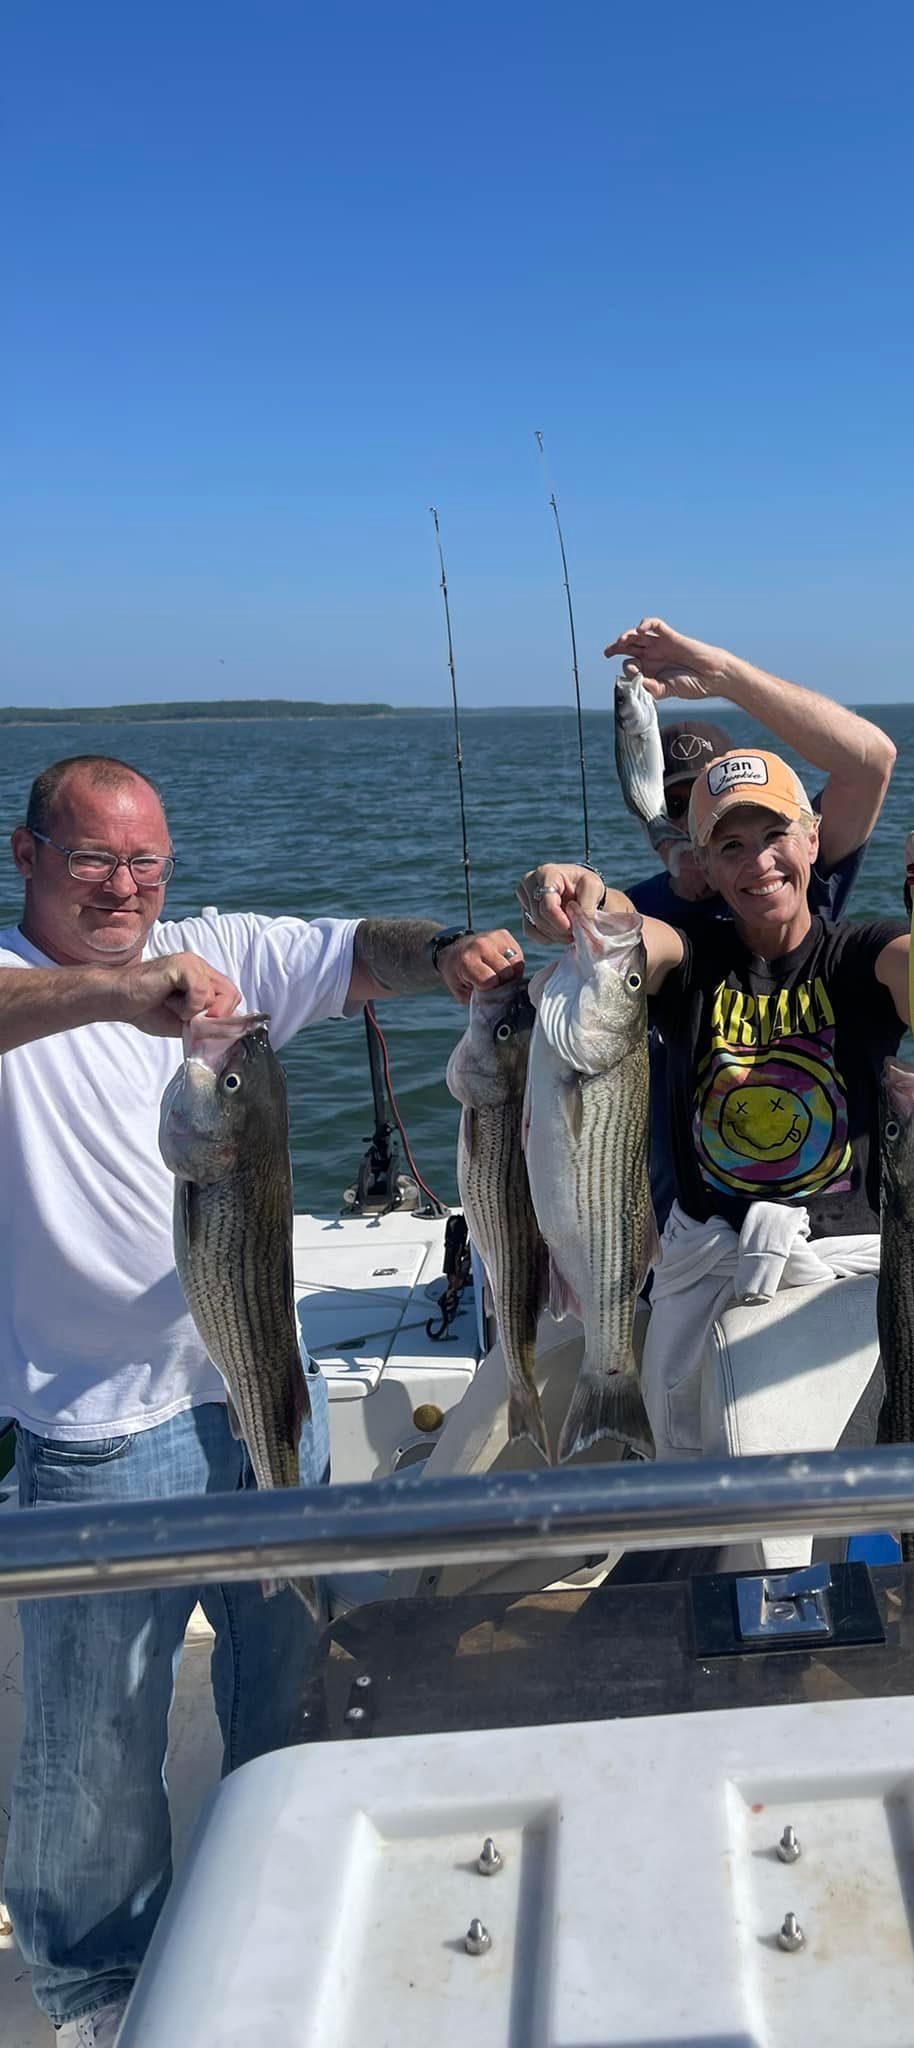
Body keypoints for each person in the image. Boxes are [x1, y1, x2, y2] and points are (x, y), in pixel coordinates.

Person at [0, 754, 526, 2047]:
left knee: (289, 1662)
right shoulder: (30, 986)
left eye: (148, 866)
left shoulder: (212, 960)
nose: (126, 889)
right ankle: (89, 1990)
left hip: (263, 1397)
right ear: (26, 857)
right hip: (92, 1433)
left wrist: (458, 953)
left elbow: (363, 952)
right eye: (93, 862)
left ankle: (278, 1891)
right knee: (95, 1750)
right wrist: (118, 994)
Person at [519, 747, 914, 1459]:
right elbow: (633, 939)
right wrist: (591, 896)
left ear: (812, 838)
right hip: (710, 1269)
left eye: (775, 836)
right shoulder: (692, 958)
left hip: (843, 1267)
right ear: (705, 869)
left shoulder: (859, 953)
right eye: (730, 847)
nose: (758, 861)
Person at [602, 618, 898, 1222]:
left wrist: (724, 674)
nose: (753, 857)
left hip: (817, 1213)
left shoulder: (790, 884)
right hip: (667, 1210)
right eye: (674, 807)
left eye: (754, 827)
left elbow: (871, 762)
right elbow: (602, 922)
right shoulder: (642, 910)